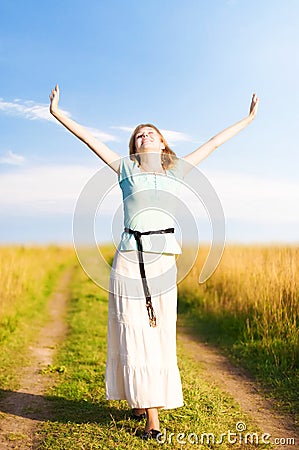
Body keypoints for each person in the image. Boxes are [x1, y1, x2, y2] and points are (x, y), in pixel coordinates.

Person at [49, 86, 259, 440]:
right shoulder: (125, 170)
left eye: (150, 133)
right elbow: (89, 139)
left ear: (163, 144)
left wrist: (249, 118)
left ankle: (148, 402)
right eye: (138, 135)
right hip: (130, 259)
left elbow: (214, 142)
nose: (143, 136)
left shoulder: (176, 172)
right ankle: (150, 417)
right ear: (135, 147)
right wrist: (58, 113)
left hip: (163, 262)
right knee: (131, 330)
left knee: (157, 334)